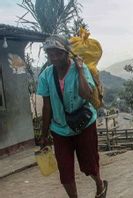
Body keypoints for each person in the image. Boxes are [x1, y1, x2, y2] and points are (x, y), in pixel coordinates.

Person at [37, 35, 107, 198]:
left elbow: (86, 94)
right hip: (60, 129)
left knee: (89, 164)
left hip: (85, 124)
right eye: (50, 54)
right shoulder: (46, 76)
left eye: (58, 53)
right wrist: (44, 134)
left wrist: (81, 70)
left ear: (67, 53)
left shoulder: (79, 69)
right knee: (65, 171)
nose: (54, 58)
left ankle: (99, 183)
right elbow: (47, 107)